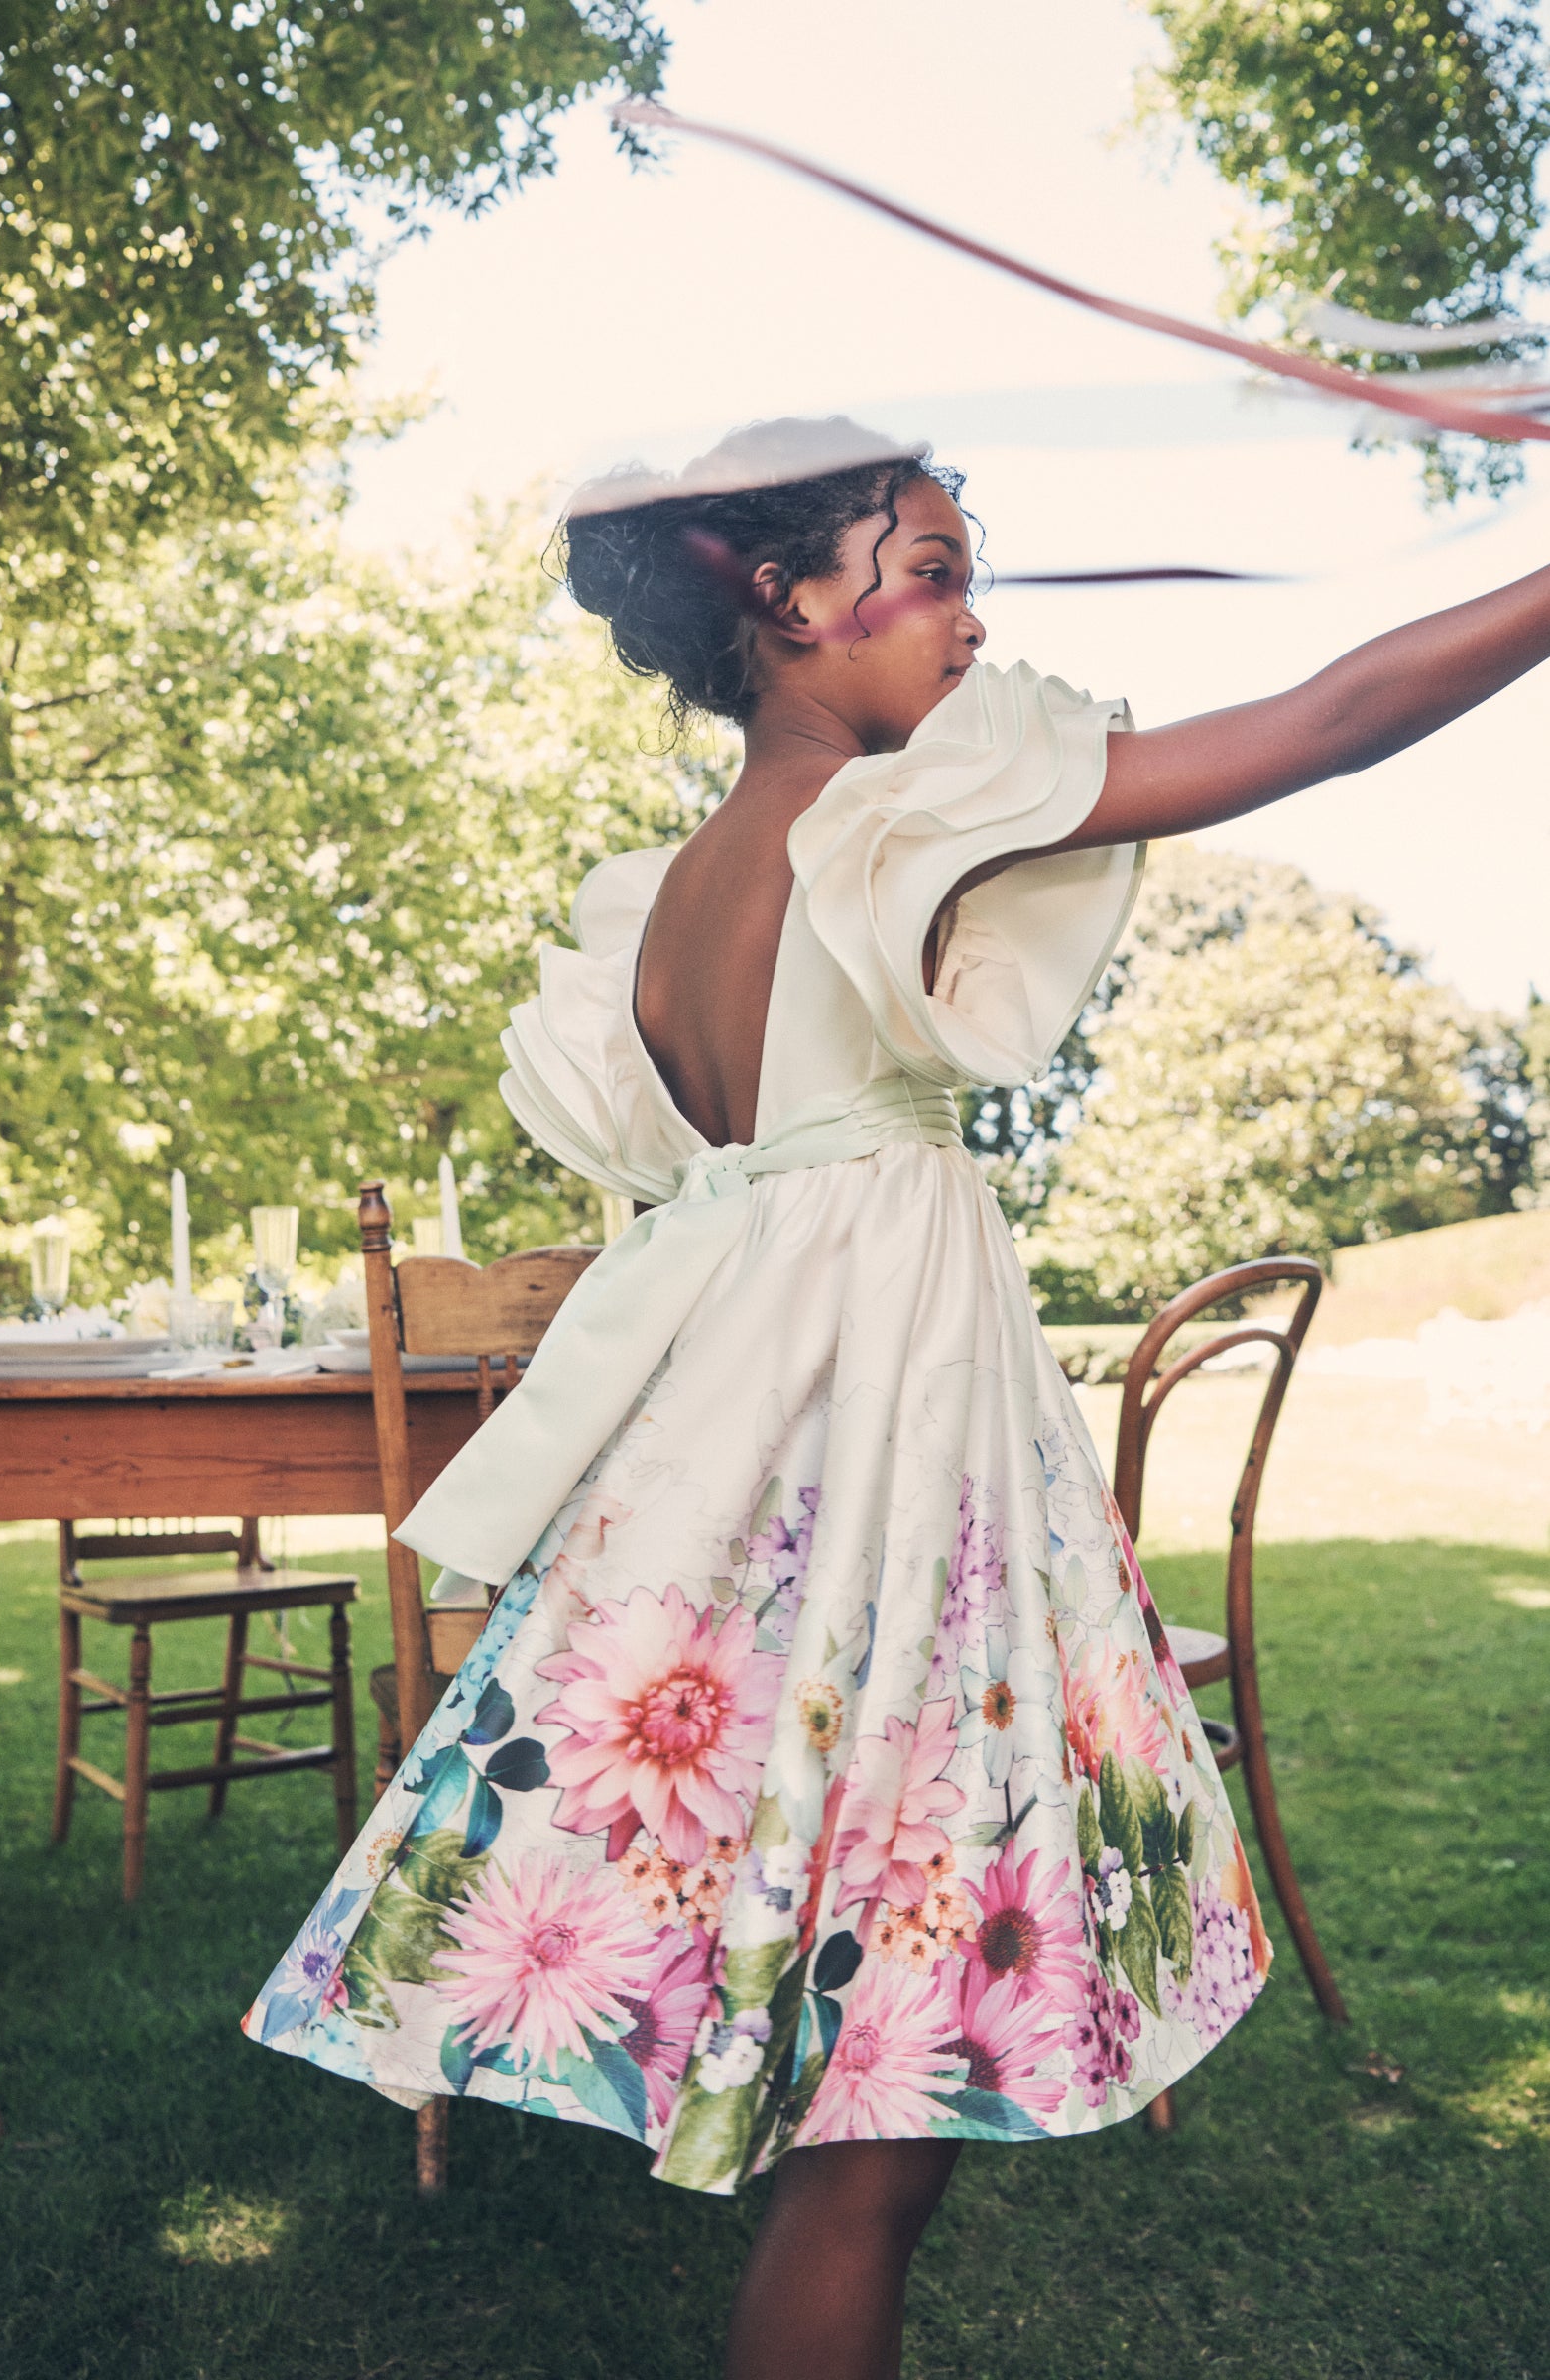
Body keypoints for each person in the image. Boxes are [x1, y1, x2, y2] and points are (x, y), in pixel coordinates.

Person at [246, 417, 1546, 2378]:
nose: (968, 617)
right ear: (782, 598)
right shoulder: (881, 828)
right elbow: (1339, 709)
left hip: (759, 1526)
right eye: (927, 569)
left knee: (855, 2116)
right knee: (873, 2137)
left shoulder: (682, 894)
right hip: (875, 1544)